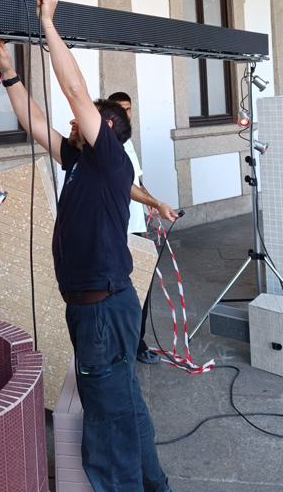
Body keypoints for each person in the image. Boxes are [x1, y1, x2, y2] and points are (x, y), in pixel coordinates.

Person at [0, 0, 171, 492]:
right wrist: (9, 71)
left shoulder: (109, 158)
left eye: (84, 118)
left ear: (104, 129)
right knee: (125, 406)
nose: (72, 119)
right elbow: (34, 120)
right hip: (102, 307)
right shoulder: (80, 162)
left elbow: (72, 91)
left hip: (101, 311)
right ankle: (154, 485)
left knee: (107, 427)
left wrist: (47, 24)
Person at [108, 92, 178, 364]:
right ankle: (125, 347)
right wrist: (156, 203)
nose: (126, 114)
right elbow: (123, 185)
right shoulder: (108, 146)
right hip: (119, 230)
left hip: (136, 227)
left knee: (142, 288)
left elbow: (136, 181)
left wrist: (152, 203)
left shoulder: (127, 142)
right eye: (120, 109)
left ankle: (137, 343)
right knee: (124, 292)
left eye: (128, 109)